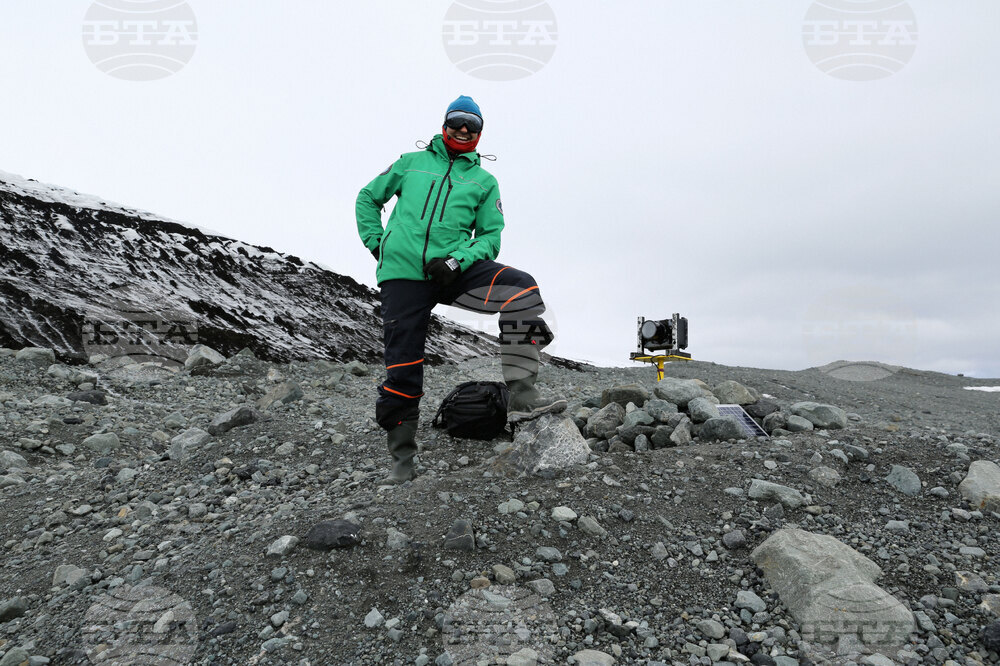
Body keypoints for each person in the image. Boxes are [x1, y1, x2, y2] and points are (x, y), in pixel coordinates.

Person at [356, 95, 565, 483]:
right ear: (444, 125)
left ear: (480, 133)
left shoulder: (484, 181)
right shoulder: (410, 164)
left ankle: (522, 395)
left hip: (453, 272)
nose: (463, 129)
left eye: (472, 125)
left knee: (522, 290)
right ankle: (402, 466)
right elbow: (368, 198)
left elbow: (490, 237)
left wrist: (457, 261)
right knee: (402, 368)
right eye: (457, 121)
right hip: (403, 275)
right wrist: (378, 244)